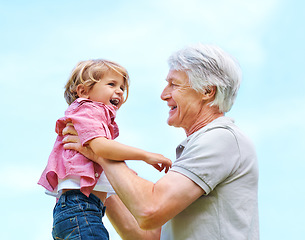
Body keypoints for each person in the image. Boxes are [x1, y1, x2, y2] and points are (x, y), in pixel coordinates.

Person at [62, 44, 259, 239]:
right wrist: (92, 165)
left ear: (207, 91)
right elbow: (146, 234)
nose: (164, 94)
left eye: (174, 84)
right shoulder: (204, 144)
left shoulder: (221, 138)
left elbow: (149, 210)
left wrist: (100, 149)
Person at [38, 59, 172, 240]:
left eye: (122, 88)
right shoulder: (89, 110)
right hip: (81, 211)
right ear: (83, 91)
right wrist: (145, 155)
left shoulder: (90, 117)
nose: (119, 91)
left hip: (76, 212)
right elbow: (102, 148)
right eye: (111, 84)